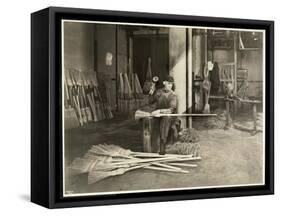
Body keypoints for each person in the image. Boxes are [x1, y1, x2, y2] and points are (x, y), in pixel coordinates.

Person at [139, 75, 179, 154]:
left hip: (169, 118)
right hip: (157, 115)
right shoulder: (159, 92)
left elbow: (171, 110)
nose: (170, 85)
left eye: (171, 84)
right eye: (168, 83)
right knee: (147, 119)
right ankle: (148, 147)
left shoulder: (173, 95)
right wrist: (152, 88)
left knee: (165, 120)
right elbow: (150, 101)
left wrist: (160, 111)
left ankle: (162, 147)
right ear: (164, 83)